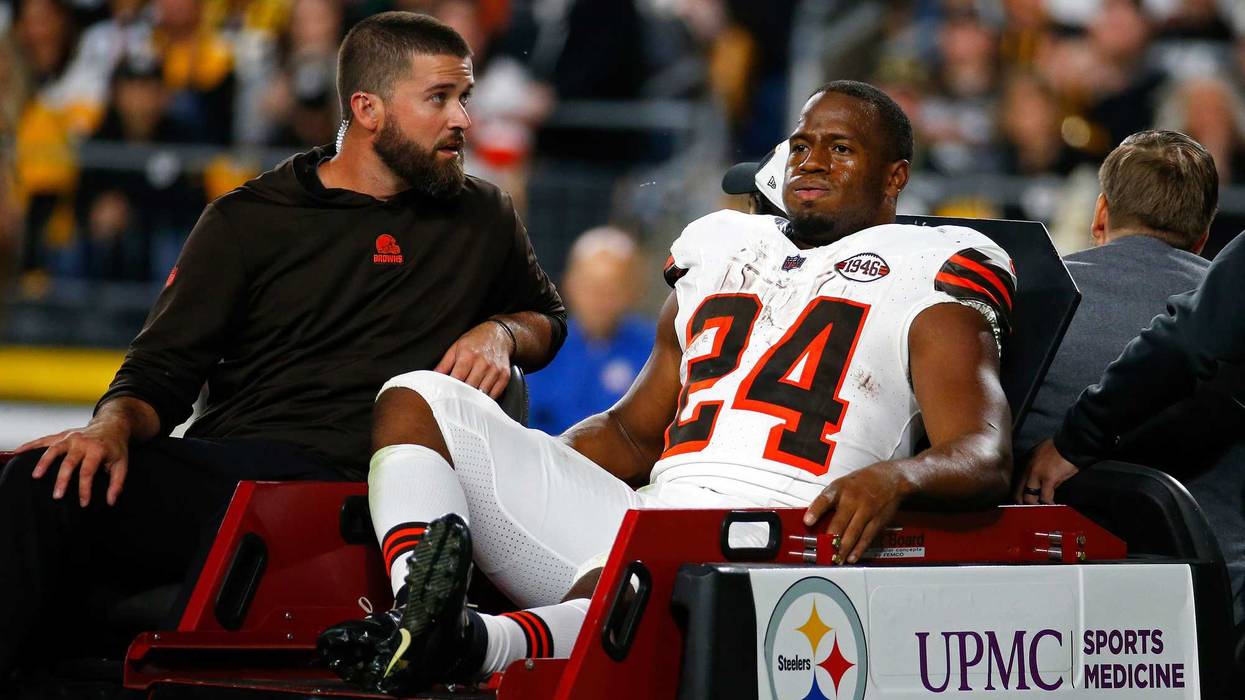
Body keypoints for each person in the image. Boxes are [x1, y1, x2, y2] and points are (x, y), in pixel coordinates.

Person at [319, 80, 1018, 694]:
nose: (811, 161)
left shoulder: (933, 267)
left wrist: (895, 478)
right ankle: (420, 608)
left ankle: (476, 645)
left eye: (840, 149)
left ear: (894, 176)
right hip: (649, 509)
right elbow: (629, 433)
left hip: (773, 535)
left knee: (636, 574)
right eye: (801, 144)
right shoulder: (720, 246)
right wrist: (532, 473)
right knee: (420, 397)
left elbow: (981, 450)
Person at [0, 12, 566, 678]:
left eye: (464, 96)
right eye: (440, 98)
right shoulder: (249, 219)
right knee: (44, 481)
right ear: (369, 109)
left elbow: (545, 317)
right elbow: (159, 372)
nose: (464, 118)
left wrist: (500, 332)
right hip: (243, 468)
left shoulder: (483, 214)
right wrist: (109, 427)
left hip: (366, 487)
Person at [1014, 130, 1217, 459]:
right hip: (1193, 507)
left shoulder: (1025, 288)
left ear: (1100, 215)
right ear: (1202, 237)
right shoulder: (1226, 306)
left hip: (1038, 504)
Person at [526, 226, 655, 435]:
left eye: (611, 288)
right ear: (570, 284)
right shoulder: (542, 345)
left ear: (633, 290)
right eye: (591, 285)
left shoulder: (655, 349)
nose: (599, 299)